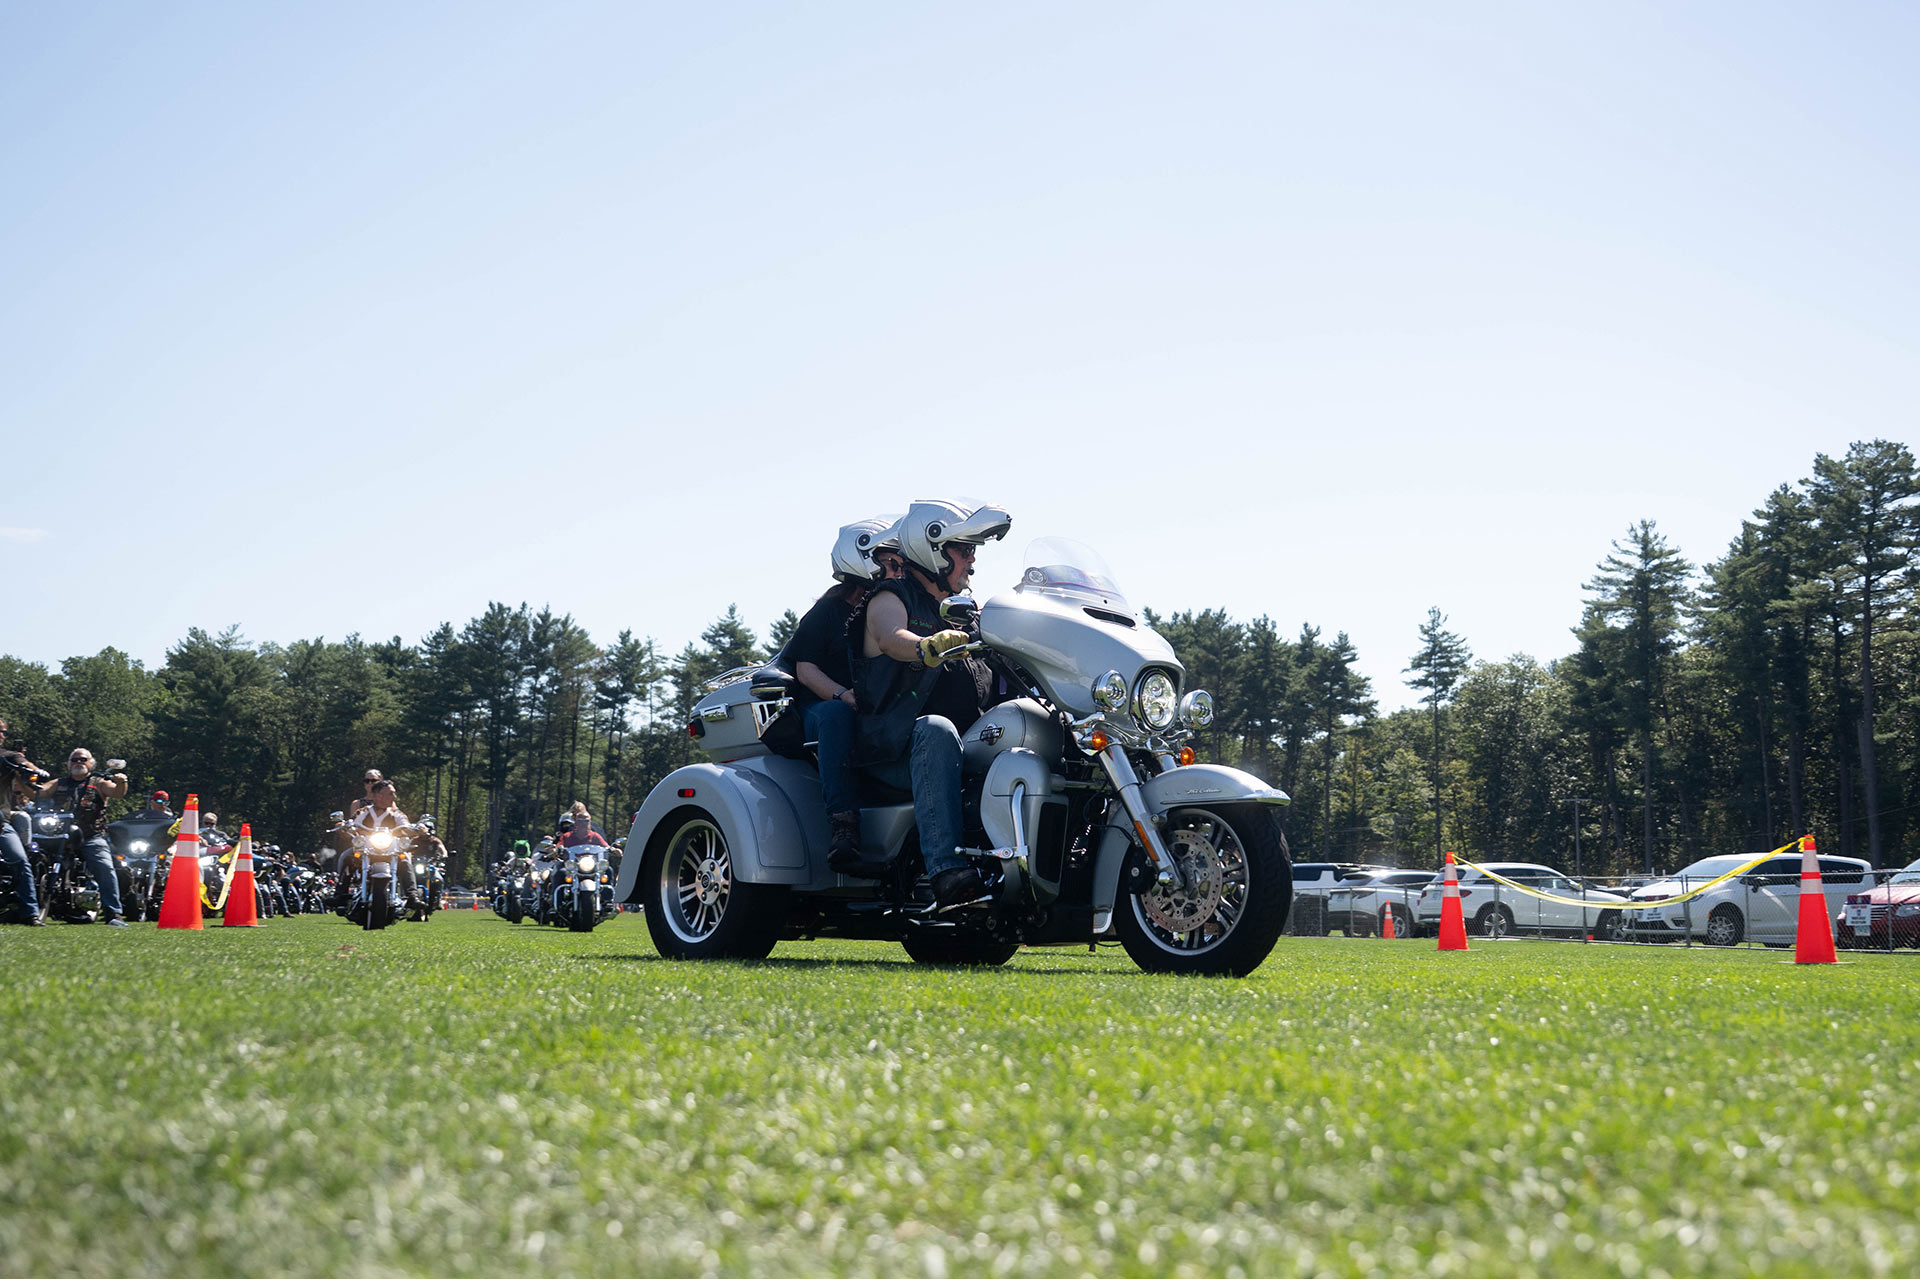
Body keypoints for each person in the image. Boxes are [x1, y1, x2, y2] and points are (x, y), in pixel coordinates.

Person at [852, 498, 1012, 909]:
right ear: (933, 548)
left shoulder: (965, 613)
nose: (972, 561)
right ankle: (945, 871)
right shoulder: (890, 597)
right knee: (935, 728)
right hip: (895, 747)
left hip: (963, 742)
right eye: (964, 550)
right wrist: (926, 645)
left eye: (974, 550)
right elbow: (891, 637)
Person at [789, 517, 902, 871]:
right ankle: (844, 823)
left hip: (869, 707)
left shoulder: (895, 610)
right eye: (890, 561)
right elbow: (804, 669)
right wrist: (842, 696)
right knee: (837, 716)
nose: (898, 568)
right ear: (863, 559)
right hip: (817, 710)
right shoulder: (828, 610)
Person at [37, 746, 131, 927]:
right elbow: (38, 792)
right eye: (74, 759)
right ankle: (29, 909)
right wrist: (22, 778)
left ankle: (113, 914)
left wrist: (121, 781)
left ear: (91, 764)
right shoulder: (59, 783)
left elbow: (117, 792)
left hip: (90, 836)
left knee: (104, 866)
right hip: (60, 836)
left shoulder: (100, 782)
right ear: (68, 764)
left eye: (83, 759)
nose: (78, 762)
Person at [0, 719, 51, 925]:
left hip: (0, 824)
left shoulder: (7, 757)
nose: (2, 735)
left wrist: (34, 771)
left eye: (3, 732)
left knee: (20, 859)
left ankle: (30, 913)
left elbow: (23, 763)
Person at [346, 780, 420, 908]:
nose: (394, 797)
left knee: (405, 861)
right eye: (390, 794)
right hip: (366, 851)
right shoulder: (363, 812)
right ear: (378, 796)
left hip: (390, 851)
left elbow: (406, 826)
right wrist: (344, 825)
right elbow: (351, 824)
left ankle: (413, 896)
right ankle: (340, 894)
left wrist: (418, 829)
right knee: (346, 856)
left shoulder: (396, 814)